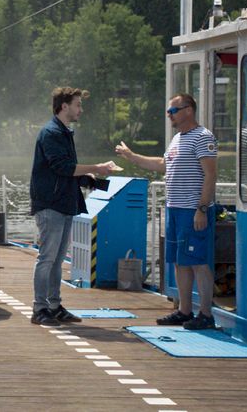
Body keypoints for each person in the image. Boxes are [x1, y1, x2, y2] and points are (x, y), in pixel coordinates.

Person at [116, 93, 217, 330]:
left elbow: (211, 175)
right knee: (179, 262)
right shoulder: (177, 139)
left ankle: (206, 314)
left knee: (198, 261)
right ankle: (184, 310)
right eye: (169, 111)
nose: (169, 115)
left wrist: (201, 209)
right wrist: (131, 156)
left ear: (188, 110)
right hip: (174, 209)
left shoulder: (203, 137)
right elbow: (162, 165)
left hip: (192, 210)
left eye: (173, 110)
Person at [30, 87, 117, 326]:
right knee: (47, 258)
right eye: (78, 104)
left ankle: (54, 305)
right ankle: (39, 309)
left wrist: (95, 182)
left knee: (57, 260)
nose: (81, 109)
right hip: (50, 205)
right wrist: (96, 167)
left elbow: (68, 169)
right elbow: (62, 168)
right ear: (64, 106)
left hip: (64, 203)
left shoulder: (64, 132)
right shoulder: (51, 133)